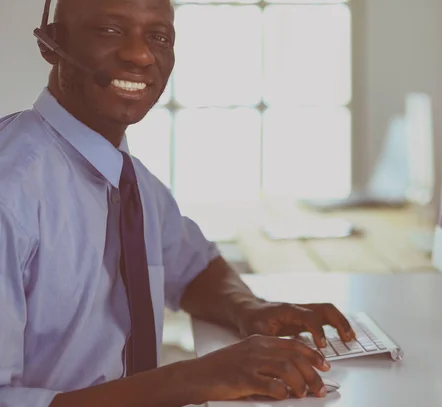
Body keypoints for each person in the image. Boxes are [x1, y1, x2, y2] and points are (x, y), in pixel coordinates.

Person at [0, 0, 356, 405]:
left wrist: (249, 309)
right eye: (110, 31)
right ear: (52, 43)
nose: (140, 54)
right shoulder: (11, 191)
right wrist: (193, 378)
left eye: (159, 37)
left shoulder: (130, 180)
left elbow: (193, 268)